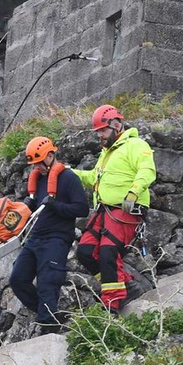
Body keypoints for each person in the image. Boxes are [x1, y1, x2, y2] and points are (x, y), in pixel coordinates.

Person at [71, 104, 156, 313]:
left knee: (108, 252)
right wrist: (71, 174)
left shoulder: (136, 145)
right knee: (86, 252)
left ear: (116, 125)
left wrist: (133, 192)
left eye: (103, 130)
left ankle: (112, 303)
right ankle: (125, 285)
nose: (99, 135)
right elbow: (93, 178)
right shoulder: (106, 153)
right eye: (98, 132)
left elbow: (147, 170)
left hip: (125, 210)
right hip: (104, 211)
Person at [9, 136, 89, 333]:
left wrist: (56, 206)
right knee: (17, 279)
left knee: (47, 282)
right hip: (35, 238)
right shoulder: (38, 181)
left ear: (51, 155)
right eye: (34, 164)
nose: (37, 167)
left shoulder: (68, 178)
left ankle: (48, 329)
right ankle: (50, 315)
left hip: (57, 238)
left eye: (39, 162)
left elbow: (82, 209)